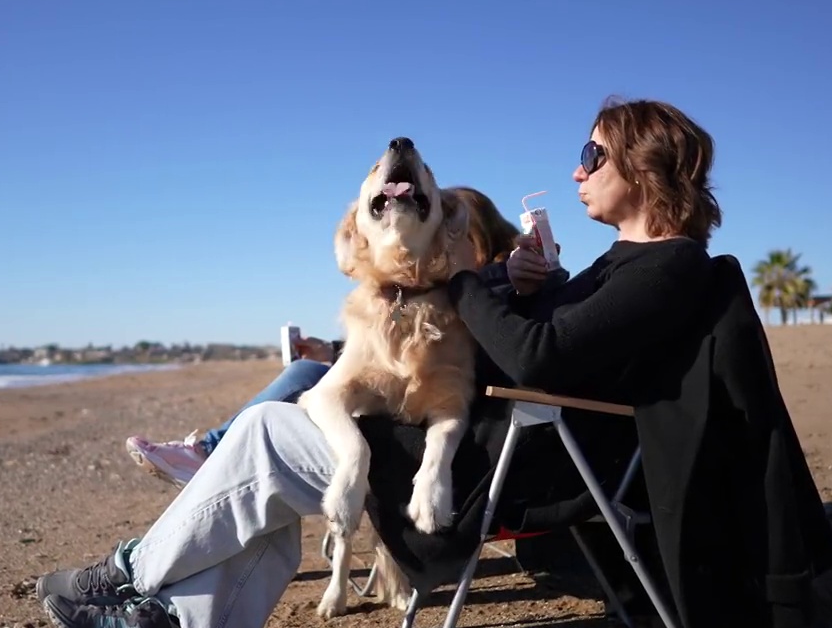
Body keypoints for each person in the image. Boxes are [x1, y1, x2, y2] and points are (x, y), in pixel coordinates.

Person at [35, 97, 832, 628]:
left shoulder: (669, 269)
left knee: (266, 439)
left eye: (592, 155)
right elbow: (556, 340)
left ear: (645, 166)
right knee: (280, 459)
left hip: (513, 462)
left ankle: (134, 581)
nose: (576, 170)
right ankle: (158, 620)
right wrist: (527, 280)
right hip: (515, 438)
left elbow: (537, 355)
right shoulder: (634, 266)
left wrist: (466, 277)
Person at [122, 186, 534, 486]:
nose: (443, 240)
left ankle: (207, 454)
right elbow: (404, 340)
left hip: (432, 412)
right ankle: (209, 452)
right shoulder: (460, 284)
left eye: (455, 231)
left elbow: (437, 346)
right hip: (401, 389)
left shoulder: (487, 285)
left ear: (479, 241)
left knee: (305, 377)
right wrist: (334, 349)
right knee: (311, 369)